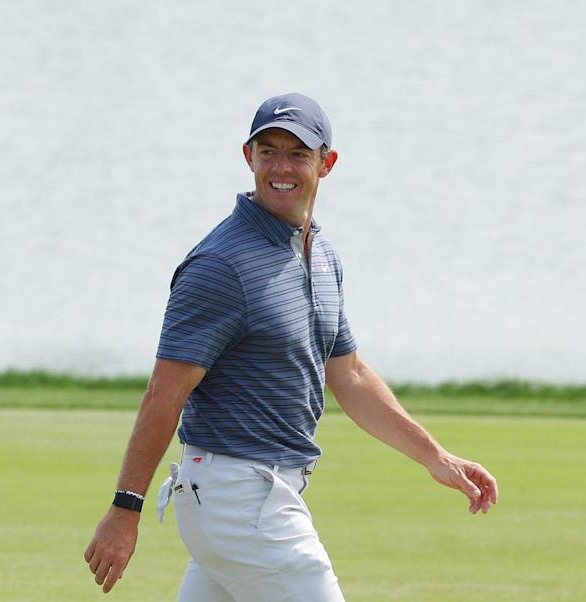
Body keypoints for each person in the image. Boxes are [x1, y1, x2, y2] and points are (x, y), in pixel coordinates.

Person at [84, 92, 499, 601]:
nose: (281, 167)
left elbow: (348, 373)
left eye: (298, 153)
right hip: (241, 499)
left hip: (253, 498)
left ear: (327, 163)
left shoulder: (319, 254)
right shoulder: (220, 265)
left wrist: (435, 457)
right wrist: (126, 509)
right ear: (248, 157)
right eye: (268, 151)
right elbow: (163, 392)